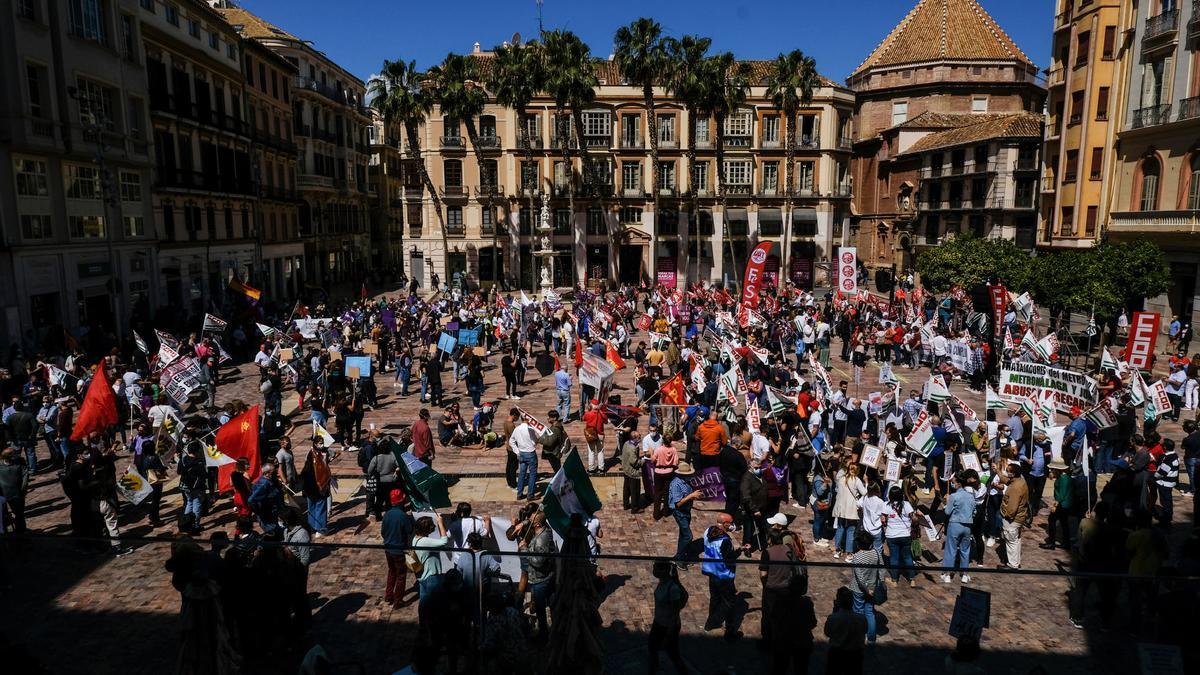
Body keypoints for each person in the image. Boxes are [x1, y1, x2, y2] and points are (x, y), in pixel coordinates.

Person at [696, 511, 748, 641]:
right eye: (730, 523)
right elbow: (729, 558)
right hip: (723, 574)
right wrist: (740, 550)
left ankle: (711, 622)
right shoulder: (724, 540)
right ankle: (724, 629)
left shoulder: (708, 531)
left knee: (715, 598)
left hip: (711, 571)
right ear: (724, 524)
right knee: (729, 603)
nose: (732, 526)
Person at [647, 560, 689, 675]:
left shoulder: (673, 588)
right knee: (652, 647)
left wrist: (669, 632)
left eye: (657, 568)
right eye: (654, 567)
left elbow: (675, 612)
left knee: (672, 653)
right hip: (658, 622)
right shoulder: (662, 581)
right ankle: (654, 669)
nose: (654, 570)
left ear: (665, 570)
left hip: (668, 625)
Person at [847, 530, 884, 646]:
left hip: (859, 589)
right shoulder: (876, 553)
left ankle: (858, 636)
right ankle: (871, 638)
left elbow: (860, 577)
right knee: (869, 612)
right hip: (873, 586)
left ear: (858, 544)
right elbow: (882, 569)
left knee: (858, 611)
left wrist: (867, 589)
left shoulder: (857, 557)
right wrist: (880, 582)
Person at [940, 470, 976, 584]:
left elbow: (947, 512)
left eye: (954, 482)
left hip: (955, 524)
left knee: (951, 549)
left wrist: (945, 502)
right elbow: (974, 512)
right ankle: (964, 574)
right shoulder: (971, 496)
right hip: (967, 526)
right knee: (965, 550)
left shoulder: (954, 496)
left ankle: (947, 574)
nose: (952, 483)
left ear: (958, 483)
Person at [525, 511, 556, 640]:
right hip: (545, 577)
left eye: (532, 520)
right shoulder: (545, 529)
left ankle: (544, 633)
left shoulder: (541, 540)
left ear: (537, 524)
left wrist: (524, 551)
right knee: (550, 603)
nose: (529, 521)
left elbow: (538, 562)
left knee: (540, 608)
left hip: (540, 579)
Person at [823, 587, 868, 675]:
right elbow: (864, 631)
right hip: (855, 655)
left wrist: (834, 611)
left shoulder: (833, 618)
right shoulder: (861, 618)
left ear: (838, 602)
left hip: (837, 654)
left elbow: (827, 633)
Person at [381, 489, 414, 608]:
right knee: (401, 575)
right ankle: (398, 600)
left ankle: (389, 595)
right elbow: (409, 530)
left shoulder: (387, 514)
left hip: (388, 549)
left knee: (391, 571)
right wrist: (410, 517)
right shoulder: (403, 516)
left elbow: (383, 532)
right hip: (399, 550)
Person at [880, 485, 918, 587]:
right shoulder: (906, 504)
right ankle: (912, 579)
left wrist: (886, 523)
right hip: (905, 535)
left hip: (892, 536)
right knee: (907, 557)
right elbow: (914, 519)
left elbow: (883, 520)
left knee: (894, 558)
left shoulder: (886, 505)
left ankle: (894, 580)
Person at [667, 462, 703, 560]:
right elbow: (677, 504)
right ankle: (678, 558)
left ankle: (682, 552)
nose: (691, 476)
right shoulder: (676, 484)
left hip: (686, 510)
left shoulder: (687, 482)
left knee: (683, 534)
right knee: (688, 536)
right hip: (679, 512)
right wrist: (691, 496)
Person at [300, 439, 333, 536]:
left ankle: (312, 526)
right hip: (318, 488)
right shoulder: (316, 459)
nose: (322, 444)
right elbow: (322, 473)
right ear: (315, 444)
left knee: (312, 507)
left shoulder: (313, 455)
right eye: (320, 443)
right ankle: (320, 528)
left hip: (309, 488)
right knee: (320, 507)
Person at [1000, 458, 1029, 569]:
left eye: (1008, 471)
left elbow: (1012, 507)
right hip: (1019, 517)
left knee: (1011, 540)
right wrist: (997, 471)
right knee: (1016, 540)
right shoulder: (1019, 480)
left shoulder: (1016, 488)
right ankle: (1015, 562)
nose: (1007, 473)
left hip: (1012, 519)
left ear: (1013, 473)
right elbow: (1006, 480)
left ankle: (1013, 564)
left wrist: (1007, 517)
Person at [1040, 459, 1073, 550]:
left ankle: (1051, 542)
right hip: (1065, 504)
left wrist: (1055, 506)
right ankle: (1066, 543)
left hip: (1062, 504)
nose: (1051, 471)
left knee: (1052, 520)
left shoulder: (1063, 479)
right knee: (1064, 523)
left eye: (1052, 469)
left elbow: (1061, 494)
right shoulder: (1063, 477)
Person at [509, 414, 539, 500]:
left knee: (522, 474)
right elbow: (534, 442)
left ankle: (519, 493)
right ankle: (530, 495)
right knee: (532, 474)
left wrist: (517, 452)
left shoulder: (517, 429)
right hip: (530, 453)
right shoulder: (530, 429)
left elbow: (512, 441)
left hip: (521, 453)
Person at [0, 448, 30, 533]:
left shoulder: (19, 463)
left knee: (17, 514)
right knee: (14, 514)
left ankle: (19, 532)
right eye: (13, 454)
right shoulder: (17, 465)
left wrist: (23, 489)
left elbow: (25, 476)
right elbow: (25, 476)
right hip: (9, 494)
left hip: (12, 494)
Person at [619, 428, 645, 511]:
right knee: (635, 491)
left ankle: (626, 504)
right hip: (632, 472)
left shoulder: (626, 443)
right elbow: (634, 462)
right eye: (639, 437)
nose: (640, 438)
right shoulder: (633, 448)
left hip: (626, 470)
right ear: (634, 438)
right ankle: (635, 508)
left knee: (626, 489)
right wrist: (642, 462)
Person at [583, 399, 607, 474]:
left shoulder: (588, 413)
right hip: (600, 434)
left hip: (591, 434)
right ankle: (601, 468)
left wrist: (588, 410)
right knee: (600, 452)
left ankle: (591, 469)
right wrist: (600, 411)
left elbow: (583, 418)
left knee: (591, 452)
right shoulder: (601, 413)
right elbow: (606, 421)